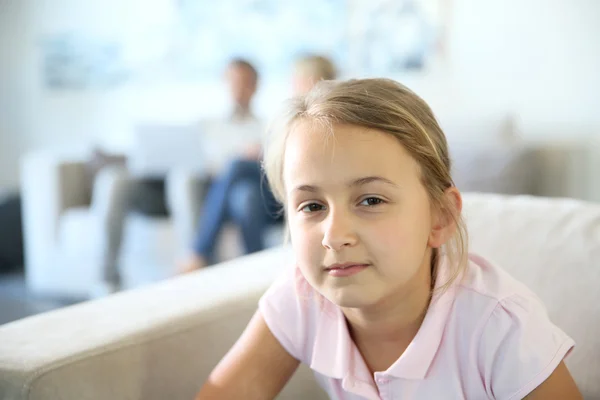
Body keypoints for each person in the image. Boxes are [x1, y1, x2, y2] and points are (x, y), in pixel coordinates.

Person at [194, 79, 581, 399]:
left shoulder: (500, 327)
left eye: (371, 200)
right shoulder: (301, 296)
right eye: (312, 206)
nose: (335, 236)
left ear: (440, 217)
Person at [179, 54, 337, 272]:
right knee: (245, 196)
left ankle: (199, 252)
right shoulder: (294, 116)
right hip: (270, 185)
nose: (292, 87)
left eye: (296, 81)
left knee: (237, 165)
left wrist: (264, 153)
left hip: (291, 185)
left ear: (313, 81)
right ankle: (252, 269)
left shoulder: (325, 118)